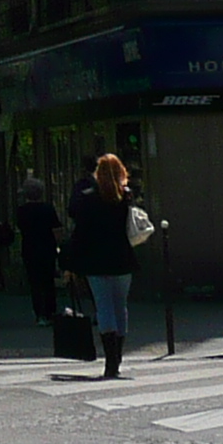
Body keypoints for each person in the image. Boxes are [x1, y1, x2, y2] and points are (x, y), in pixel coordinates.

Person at [63, 153, 141, 378]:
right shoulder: (125, 197)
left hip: (96, 260)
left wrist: (70, 263)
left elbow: (80, 233)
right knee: (120, 307)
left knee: (104, 307)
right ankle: (117, 357)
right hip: (122, 258)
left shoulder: (88, 198)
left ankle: (110, 360)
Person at [15, 179, 61, 326]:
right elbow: (56, 230)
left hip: (29, 248)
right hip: (47, 248)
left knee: (34, 282)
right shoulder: (48, 208)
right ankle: (50, 311)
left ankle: (38, 313)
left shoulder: (21, 211)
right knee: (48, 281)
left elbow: (20, 227)